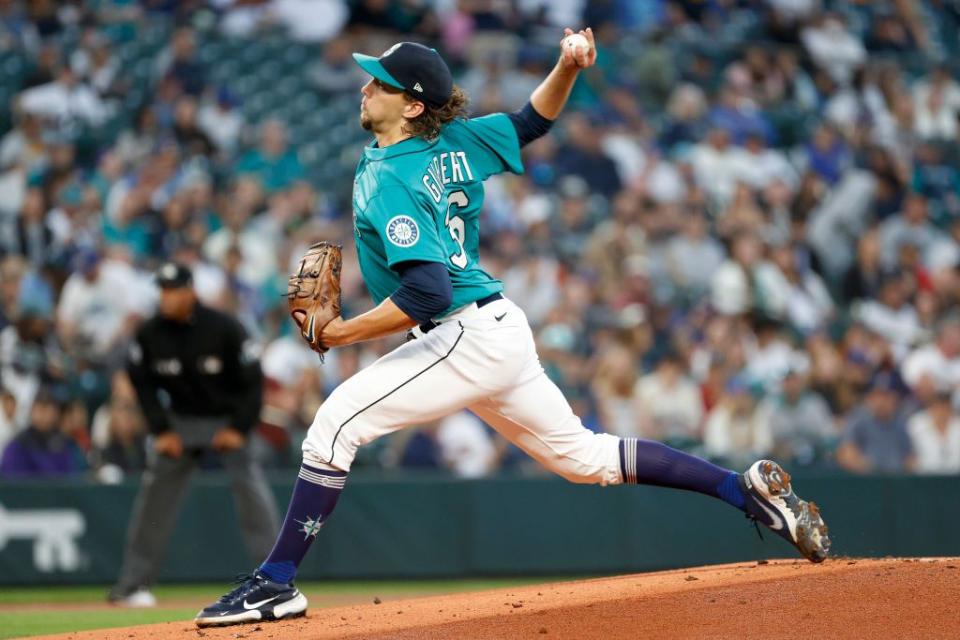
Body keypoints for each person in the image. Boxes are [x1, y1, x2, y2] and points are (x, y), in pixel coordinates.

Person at [196, 31, 830, 627]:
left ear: (413, 106)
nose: (365, 88)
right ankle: (742, 491)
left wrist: (338, 336)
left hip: (461, 332)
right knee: (586, 459)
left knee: (334, 425)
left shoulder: (392, 178)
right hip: (494, 329)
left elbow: (427, 292)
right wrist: (568, 67)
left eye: (379, 83)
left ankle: (277, 581)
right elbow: (532, 122)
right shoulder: (455, 142)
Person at [108, 263, 279, 607]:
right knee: (154, 496)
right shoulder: (150, 333)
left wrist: (239, 428)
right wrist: (160, 429)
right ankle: (132, 585)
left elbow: (253, 383)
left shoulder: (225, 328)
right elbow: (140, 384)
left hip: (226, 419)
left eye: (173, 290)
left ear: (190, 291)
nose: (166, 297)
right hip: (180, 422)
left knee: (252, 490)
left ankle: (276, 579)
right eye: (163, 290)